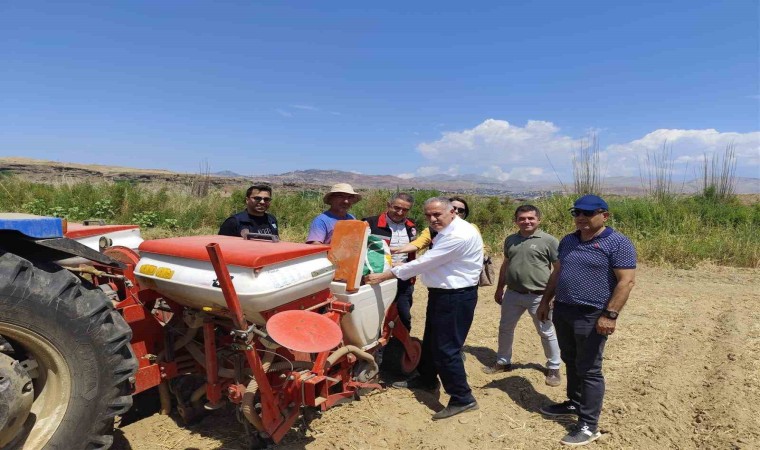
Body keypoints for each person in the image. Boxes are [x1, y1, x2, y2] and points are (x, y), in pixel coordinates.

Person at [366, 197, 483, 421]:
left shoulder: (459, 235)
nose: (432, 219)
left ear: (452, 212)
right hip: (443, 294)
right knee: (430, 341)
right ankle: (427, 379)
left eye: (437, 214)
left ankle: (462, 397)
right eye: (428, 215)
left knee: (446, 348)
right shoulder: (450, 229)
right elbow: (430, 260)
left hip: (455, 297)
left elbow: (424, 263)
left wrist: (385, 274)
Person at [536, 194, 636, 446]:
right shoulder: (569, 240)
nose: (581, 217)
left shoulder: (617, 243)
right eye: (577, 213)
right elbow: (558, 272)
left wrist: (610, 314)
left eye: (588, 213)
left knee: (590, 369)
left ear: (604, 215)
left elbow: (626, 281)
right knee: (570, 359)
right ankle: (574, 402)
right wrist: (546, 300)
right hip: (564, 310)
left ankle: (589, 425)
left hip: (593, 314)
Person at [482, 205, 562, 388]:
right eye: (522, 218)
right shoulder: (511, 240)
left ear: (538, 220)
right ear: (516, 221)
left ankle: (554, 367)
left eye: (530, 218)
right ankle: (503, 362)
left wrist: (551, 296)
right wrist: (499, 287)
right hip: (513, 294)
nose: (526, 221)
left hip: (539, 296)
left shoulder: (549, 241)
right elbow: (506, 264)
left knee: (546, 331)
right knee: (505, 328)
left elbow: (559, 269)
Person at [362, 193, 418, 331]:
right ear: (388, 205)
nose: (400, 212)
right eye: (396, 208)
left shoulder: (411, 226)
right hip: (378, 277)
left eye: (405, 210)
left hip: (403, 277)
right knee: (376, 313)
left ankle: (401, 347)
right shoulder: (370, 223)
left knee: (403, 313)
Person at [392, 196, 475, 254]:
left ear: (465, 214)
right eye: (453, 208)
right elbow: (418, 244)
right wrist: (392, 250)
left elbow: (481, 248)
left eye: (461, 210)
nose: (456, 212)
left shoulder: (471, 229)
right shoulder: (432, 229)